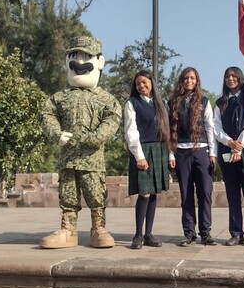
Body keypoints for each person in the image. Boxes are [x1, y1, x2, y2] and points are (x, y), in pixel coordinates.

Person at [39, 36, 122, 249]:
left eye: (87, 56)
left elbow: (112, 119)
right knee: (67, 195)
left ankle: (98, 229)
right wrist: (56, 133)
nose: (80, 62)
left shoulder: (106, 98)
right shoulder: (59, 98)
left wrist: (93, 138)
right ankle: (68, 230)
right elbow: (46, 113)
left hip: (92, 159)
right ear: (67, 61)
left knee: (96, 194)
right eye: (74, 56)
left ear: (100, 62)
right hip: (68, 158)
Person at [213, 66, 244, 248]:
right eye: (227, 76)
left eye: (234, 76)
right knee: (232, 193)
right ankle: (236, 233)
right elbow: (215, 127)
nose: (230, 79)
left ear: (240, 78)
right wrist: (229, 143)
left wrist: (239, 146)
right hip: (227, 150)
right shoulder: (220, 103)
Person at [168, 67, 218, 246]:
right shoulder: (173, 102)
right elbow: (169, 130)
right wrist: (170, 154)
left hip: (201, 149)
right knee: (186, 194)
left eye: (192, 78)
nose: (189, 81)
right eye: (186, 78)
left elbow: (210, 127)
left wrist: (213, 152)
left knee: (205, 191)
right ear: (181, 81)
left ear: (197, 81)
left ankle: (205, 232)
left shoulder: (204, 101)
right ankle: (189, 233)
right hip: (181, 151)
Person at [124, 70, 170, 250]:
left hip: (159, 149)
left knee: (153, 194)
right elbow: (130, 131)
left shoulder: (161, 104)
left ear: (152, 82)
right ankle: (137, 235)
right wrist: (139, 156)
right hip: (142, 150)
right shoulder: (132, 103)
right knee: (144, 193)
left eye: (144, 82)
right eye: (138, 84)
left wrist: (169, 155)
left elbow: (166, 131)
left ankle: (149, 234)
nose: (141, 86)